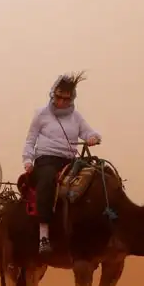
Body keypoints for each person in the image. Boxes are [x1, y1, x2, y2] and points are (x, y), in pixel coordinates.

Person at [21, 72, 102, 254]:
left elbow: (89, 132)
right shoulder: (41, 114)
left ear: (72, 98)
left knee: (96, 176)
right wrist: (27, 160)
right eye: (59, 97)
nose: (62, 102)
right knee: (48, 180)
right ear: (53, 94)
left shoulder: (76, 117)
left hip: (71, 161)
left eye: (67, 99)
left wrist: (93, 138)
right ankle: (44, 235)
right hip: (46, 160)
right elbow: (30, 140)